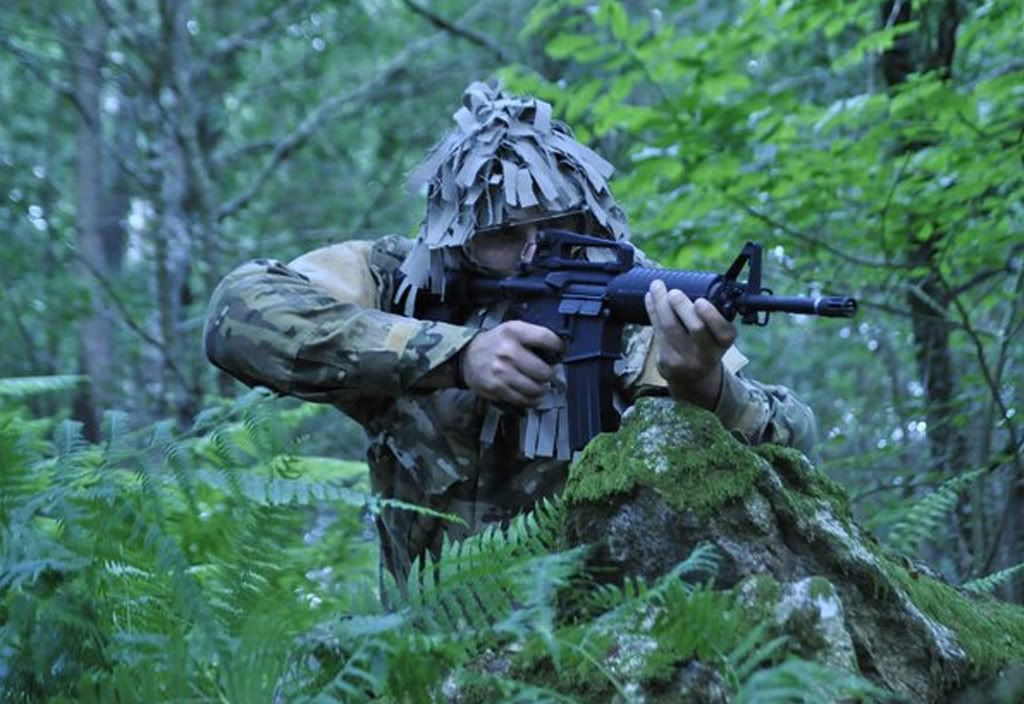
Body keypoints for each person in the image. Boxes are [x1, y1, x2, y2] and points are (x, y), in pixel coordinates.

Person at [204, 82, 816, 586]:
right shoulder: (407, 286)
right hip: (424, 654)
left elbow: (793, 438)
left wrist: (706, 389)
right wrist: (453, 355)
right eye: (501, 235)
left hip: (590, 654)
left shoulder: (630, 306)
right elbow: (240, 312)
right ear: (455, 235)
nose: (531, 253)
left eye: (553, 227)